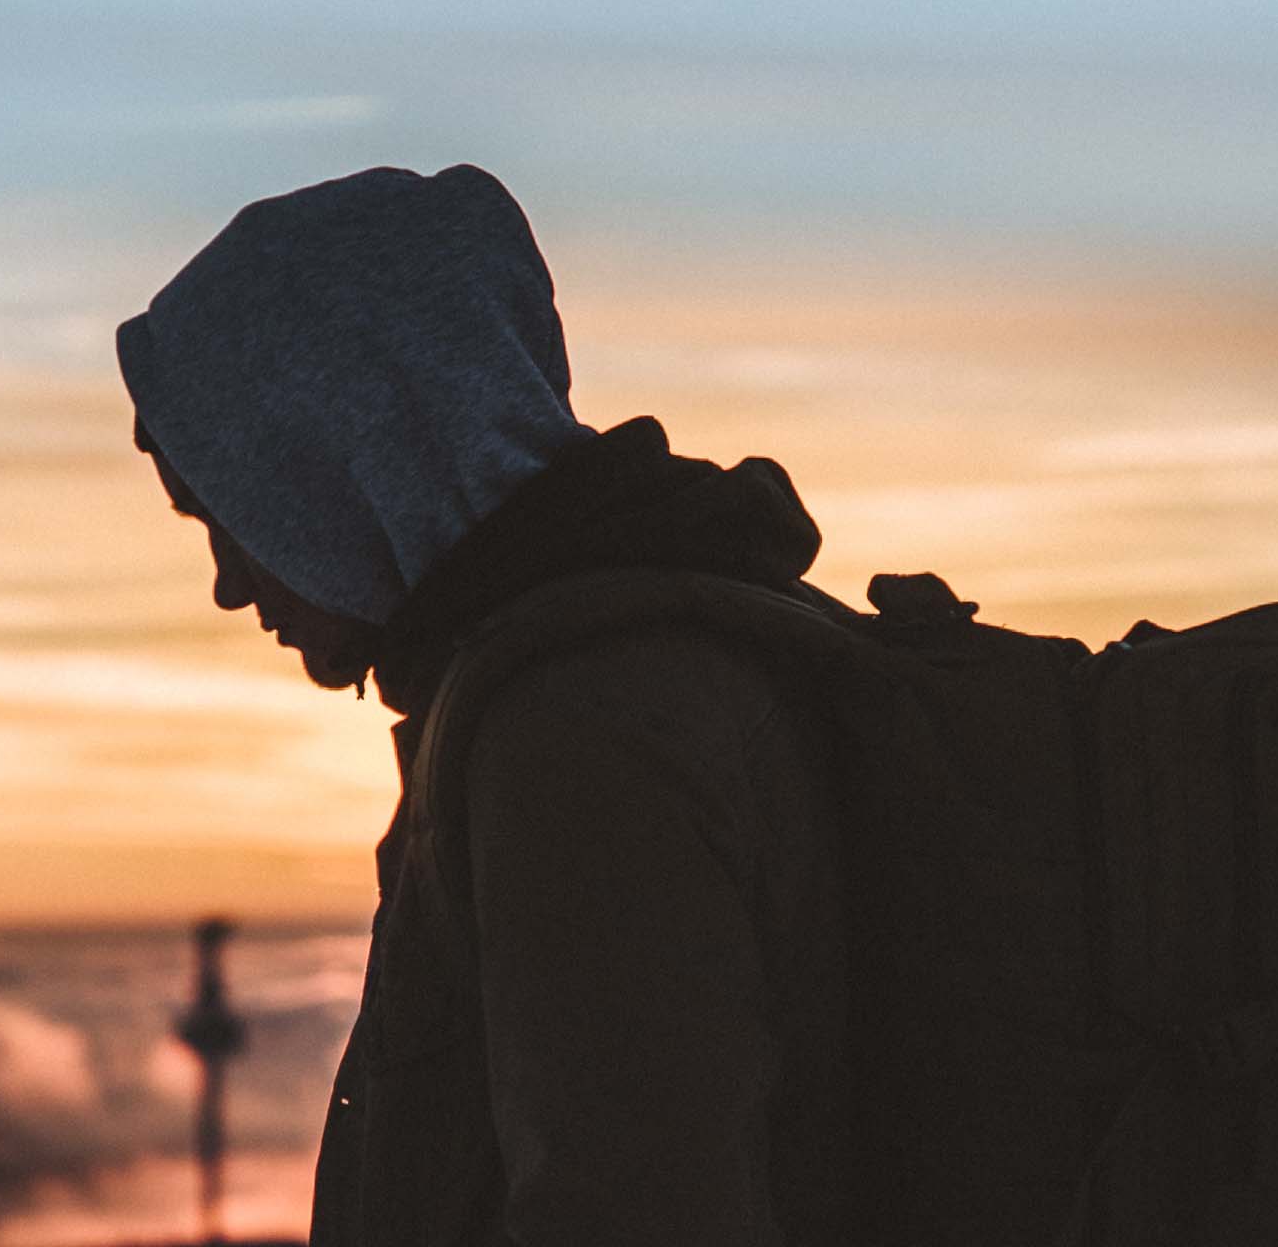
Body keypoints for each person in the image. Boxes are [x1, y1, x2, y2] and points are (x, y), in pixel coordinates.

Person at [115, 164, 853, 1247]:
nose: (231, 581)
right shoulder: (667, 648)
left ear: (332, 465)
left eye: (229, 517)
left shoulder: (582, 736)